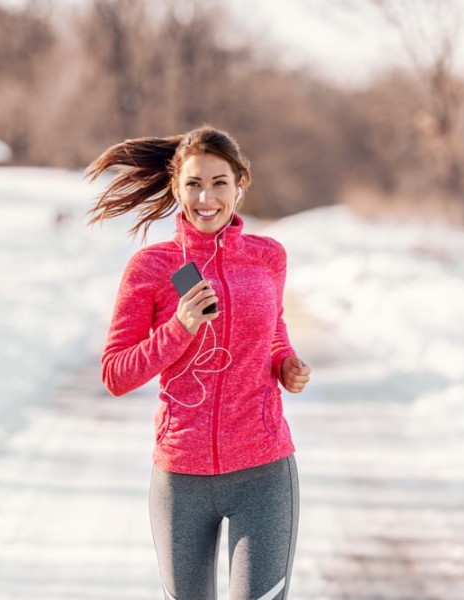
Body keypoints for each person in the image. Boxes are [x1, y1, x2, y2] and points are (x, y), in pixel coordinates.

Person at [87, 124, 311, 600]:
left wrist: (285, 361)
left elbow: (274, 328)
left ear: (240, 185)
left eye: (218, 183)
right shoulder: (151, 267)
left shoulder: (268, 257)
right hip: (181, 478)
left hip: (263, 470)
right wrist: (179, 327)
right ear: (176, 188)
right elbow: (115, 374)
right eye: (194, 183)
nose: (206, 197)